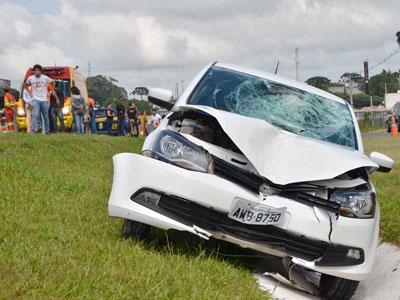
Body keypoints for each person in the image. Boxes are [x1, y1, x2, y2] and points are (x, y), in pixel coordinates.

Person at [26, 64, 53, 134]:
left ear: (41, 71)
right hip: (35, 99)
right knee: (35, 115)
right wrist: (29, 92)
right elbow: (25, 84)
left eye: (38, 70)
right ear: (34, 71)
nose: (37, 72)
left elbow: (53, 83)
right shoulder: (30, 78)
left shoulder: (45, 77)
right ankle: (34, 130)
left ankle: (47, 131)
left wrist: (50, 92)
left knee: (45, 116)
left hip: (44, 100)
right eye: (35, 70)